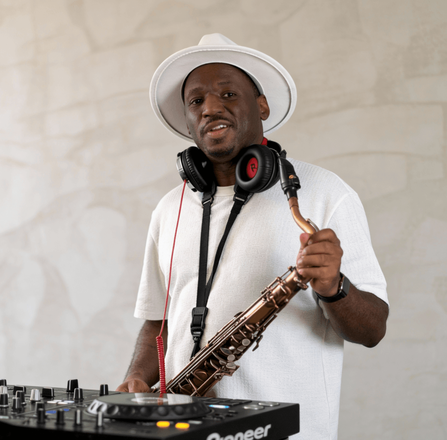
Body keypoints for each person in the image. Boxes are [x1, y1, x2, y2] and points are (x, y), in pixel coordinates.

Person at [116, 34, 389, 440]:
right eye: (196, 101)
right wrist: (137, 378)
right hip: (183, 428)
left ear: (262, 106)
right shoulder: (169, 207)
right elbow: (159, 322)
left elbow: (373, 330)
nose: (210, 108)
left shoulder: (325, 192)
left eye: (228, 94)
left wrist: (334, 288)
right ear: (188, 120)